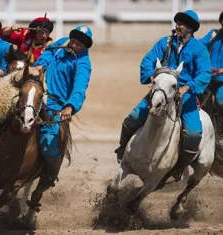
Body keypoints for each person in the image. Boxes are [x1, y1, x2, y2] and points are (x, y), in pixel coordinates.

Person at [114, 10, 212, 181]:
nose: (178, 26)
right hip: (160, 93)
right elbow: (148, 60)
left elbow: (204, 74)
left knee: (194, 133)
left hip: (185, 98)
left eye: (181, 24)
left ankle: (178, 167)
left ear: (190, 28)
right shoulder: (164, 43)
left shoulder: (199, 49)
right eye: (177, 23)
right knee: (133, 117)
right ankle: (123, 150)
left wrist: (187, 88)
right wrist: (150, 76)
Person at [33, 25, 93, 187]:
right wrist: (40, 65)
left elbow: (80, 88)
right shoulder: (62, 44)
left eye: (78, 44)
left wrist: (70, 107)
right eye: (73, 41)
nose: (73, 46)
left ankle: (49, 177)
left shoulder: (83, 64)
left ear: (85, 47)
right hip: (37, 94)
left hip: (56, 106)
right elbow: (48, 53)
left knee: (48, 144)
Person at [199, 11, 223, 113]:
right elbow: (198, 46)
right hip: (209, 75)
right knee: (200, 98)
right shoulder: (213, 34)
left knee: (220, 100)